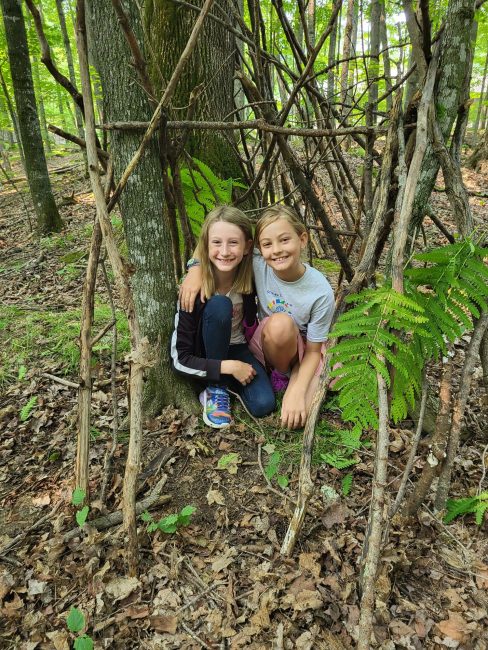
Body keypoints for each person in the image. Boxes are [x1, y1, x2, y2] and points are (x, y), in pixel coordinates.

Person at [180, 205, 335, 430]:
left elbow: (313, 349)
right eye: (268, 244)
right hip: (270, 340)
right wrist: (195, 268)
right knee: (281, 323)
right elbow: (216, 238)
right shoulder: (259, 262)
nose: (277, 250)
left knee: (300, 414)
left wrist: (298, 389)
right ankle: (280, 374)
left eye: (285, 240)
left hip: (306, 348)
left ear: (302, 239)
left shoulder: (320, 291)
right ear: (258, 248)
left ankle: (292, 377)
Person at [171, 206, 275, 429]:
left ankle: (229, 381)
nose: (225, 251)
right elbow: (180, 359)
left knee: (264, 404)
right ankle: (215, 387)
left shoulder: (250, 275)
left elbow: (277, 254)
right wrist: (228, 367)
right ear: (206, 245)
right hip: (205, 354)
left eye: (234, 243)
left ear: (247, 246)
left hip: (238, 348)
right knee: (220, 305)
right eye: (216, 243)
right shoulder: (194, 291)